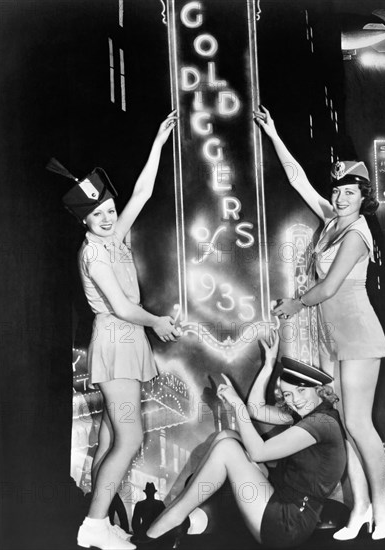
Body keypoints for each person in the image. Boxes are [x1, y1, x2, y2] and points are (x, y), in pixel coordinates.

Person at [253, 105, 385, 540]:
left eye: (350, 192)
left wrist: (293, 305)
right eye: (337, 190)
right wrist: (274, 134)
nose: (339, 197)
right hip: (340, 339)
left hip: (360, 337)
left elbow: (329, 288)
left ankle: (383, 506)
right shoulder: (332, 222)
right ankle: (361, 508)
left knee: (357, 424)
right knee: (347, 424)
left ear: (363, 195)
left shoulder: (357, 233)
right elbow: (298, 180)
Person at [49, 111, 181, 550]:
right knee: (130, 436)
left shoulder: (114, 239)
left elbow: (141, 194)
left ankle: (99, 520)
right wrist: (159, 322)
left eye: (109, 210)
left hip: (125, 342)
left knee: (110, 432)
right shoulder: (97, 255)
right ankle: (93, 526)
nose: (107, 218)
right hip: (116, 340)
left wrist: (159, 143)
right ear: (82, 220)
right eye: (98, 214)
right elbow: (124, 307)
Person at [143, 331, 347, 549]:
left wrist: (237, 405)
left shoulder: (321, 423)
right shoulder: (311, 414)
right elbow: (256, 409)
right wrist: (268, 365)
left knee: (229, 448)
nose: (295, 400)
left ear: (320, 390)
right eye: (288, 395)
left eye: (301, 391)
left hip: (287, 523)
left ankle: (167, 524)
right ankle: (178, 514)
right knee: (227, 436)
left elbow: (258, 452)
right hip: (280, 497)